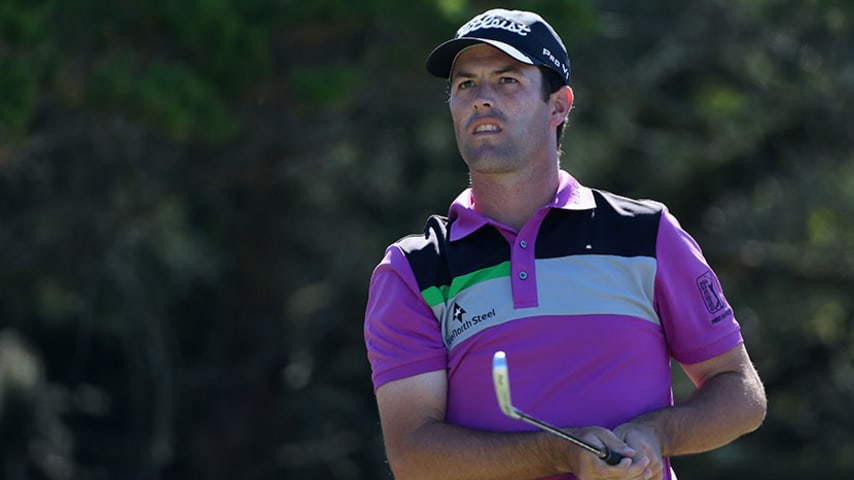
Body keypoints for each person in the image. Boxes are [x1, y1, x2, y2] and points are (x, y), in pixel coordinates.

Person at [363, 8, 766, 480]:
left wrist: (659, 432)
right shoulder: (413, 271)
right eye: (466, 84)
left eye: (507, 80)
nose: (481, 99)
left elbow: (741, 393)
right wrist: (558, 453)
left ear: (558, 106)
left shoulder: (646, 234)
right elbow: (413, 455)